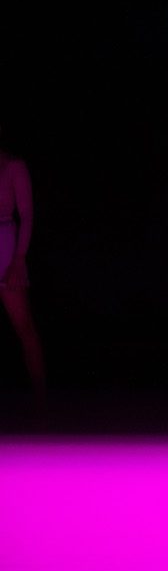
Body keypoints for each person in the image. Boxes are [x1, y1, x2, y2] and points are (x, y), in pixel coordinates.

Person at [0, 143, 47, 406]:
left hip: (5, 244)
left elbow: (26, 214)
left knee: (23, 325)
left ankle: (41, 398)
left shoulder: (13, 166)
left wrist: (18, 258)